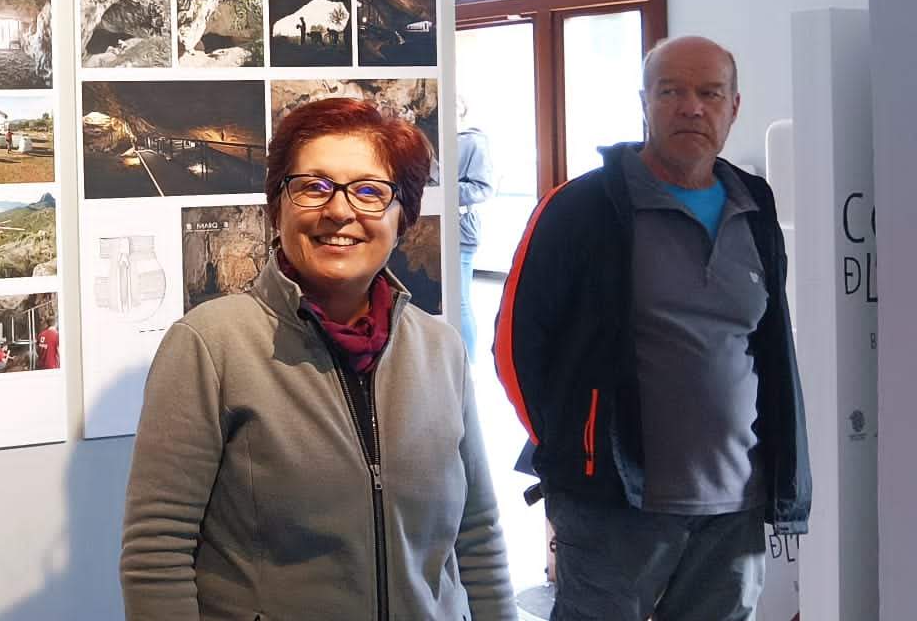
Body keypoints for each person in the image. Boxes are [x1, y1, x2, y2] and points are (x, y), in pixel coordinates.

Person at [122, 97, 513, 620]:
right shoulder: (210, 345)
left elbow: (478, 534)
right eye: (314, 186)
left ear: (402, 217)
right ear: (277, 207)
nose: (340, 210)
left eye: (370, 191)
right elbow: (156, 554)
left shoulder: (440, 350)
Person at [495, 36, 809, 621]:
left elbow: (767, 346)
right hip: (614, 504)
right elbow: (516, 345)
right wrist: (574, 448)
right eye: (671, 92)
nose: (692, 107)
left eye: (710, 93)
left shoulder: (755, 204)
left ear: (734, 106)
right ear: (644, 102)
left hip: (734, 506)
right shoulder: (581, 207)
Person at [456, 97, 494, 361]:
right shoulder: (427, 138)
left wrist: (443, 189)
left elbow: (483, 188)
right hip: (428, 229)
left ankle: (468, 365)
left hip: (460, 228)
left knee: (460, 301)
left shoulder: (473, 140)